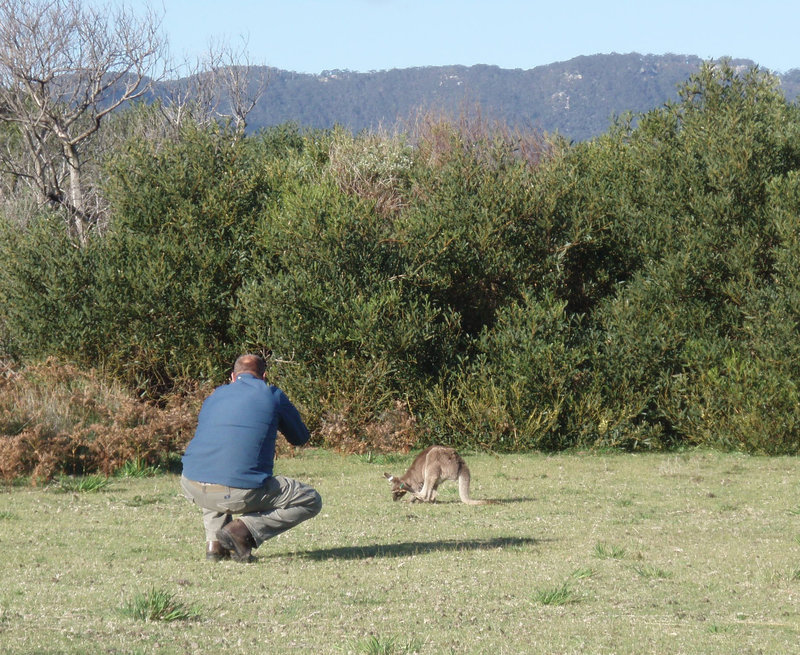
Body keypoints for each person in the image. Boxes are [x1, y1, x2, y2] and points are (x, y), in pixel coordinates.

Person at [181, 354, 322, 562]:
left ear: (232, 376)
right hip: (238, 490)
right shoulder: (272, 395)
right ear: (263, 376)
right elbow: (300, 437)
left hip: (191, 484)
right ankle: (242, 529)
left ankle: (215, 546)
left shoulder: (215, 396)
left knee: (215, 466)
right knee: (310, 499)